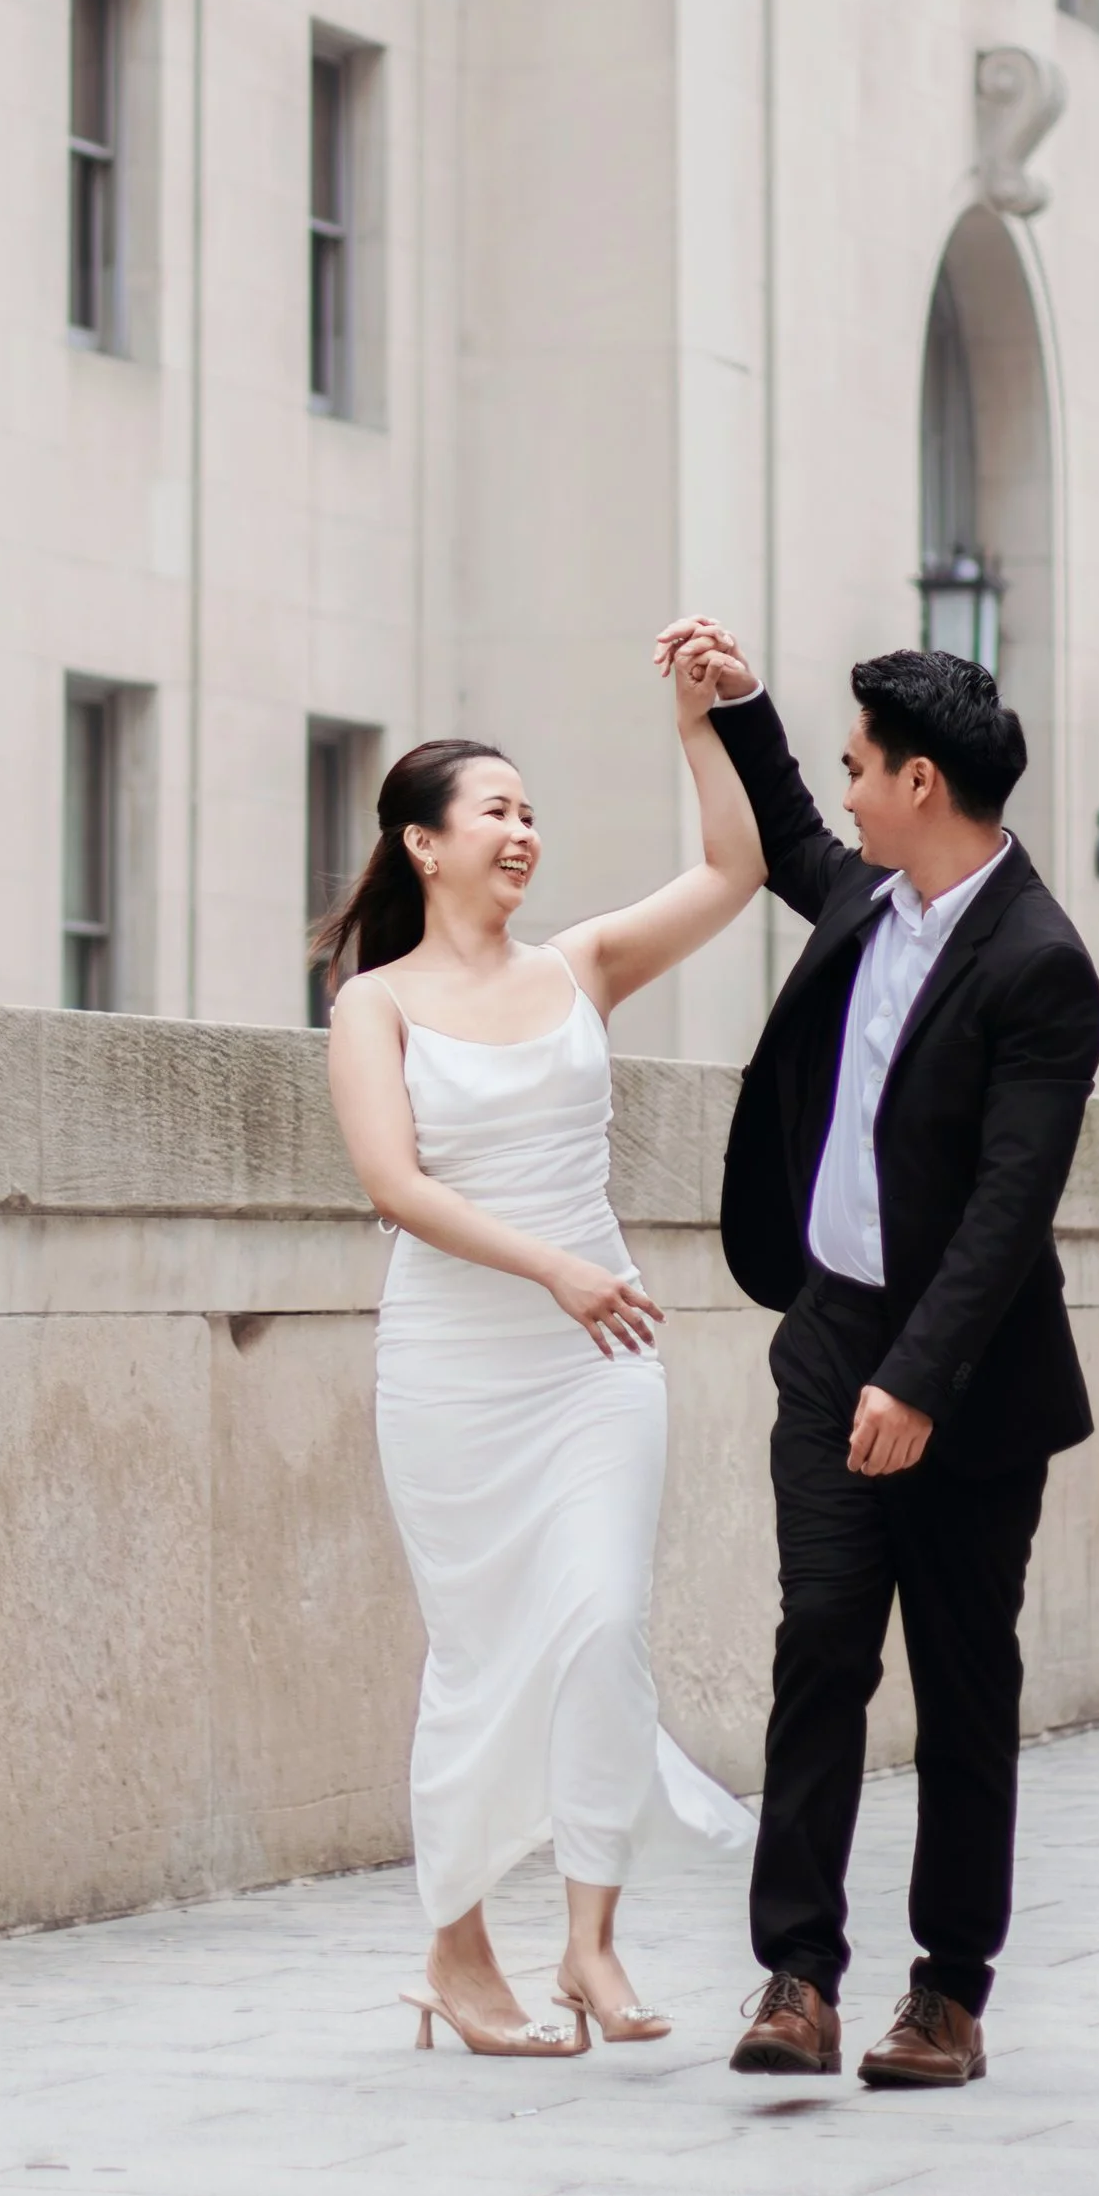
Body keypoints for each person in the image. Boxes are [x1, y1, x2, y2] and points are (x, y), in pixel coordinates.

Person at [322, 636, 762, 2058]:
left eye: (529, 810)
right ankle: (456, 1954)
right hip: (456, 1368)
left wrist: (706, 725)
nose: (521, 831)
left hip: (598, 1364)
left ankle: (590, 1942)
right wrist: (553, 1264)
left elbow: (735, 870)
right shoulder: (373, 1003)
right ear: (423, 842)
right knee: (479, 1656)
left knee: (600, 1623)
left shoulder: (581, 967)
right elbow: (397, 1185)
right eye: (494, 810)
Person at [680, 627, 1099, 2092]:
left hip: (969, 1376)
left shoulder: (1046, 967)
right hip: (833, 1331)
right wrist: (740, 707)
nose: (850, 792)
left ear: (924, 780)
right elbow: (791, 827)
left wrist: (918, 1382)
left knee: (966, 1679)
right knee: (820, 1651)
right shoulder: (866, 898)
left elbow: (1007, 1211)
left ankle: (948, 1992)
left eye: (866, 766)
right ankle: (796, 1973)